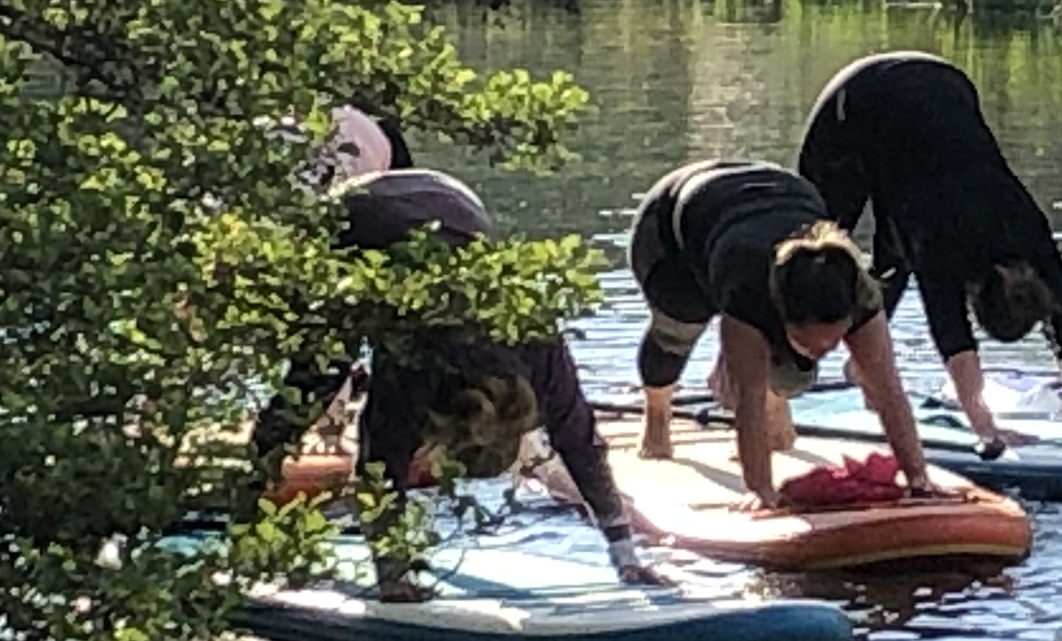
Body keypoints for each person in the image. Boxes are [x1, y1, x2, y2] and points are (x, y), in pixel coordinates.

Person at [250, 168, 660, 599]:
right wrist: (391, 577)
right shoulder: (419, 363)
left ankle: (257, 498)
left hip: (454, 206)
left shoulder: (537, 346)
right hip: (353, 225)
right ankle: (246, 520)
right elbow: (379, 466)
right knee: (312, 387)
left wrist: (625, 555)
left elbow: (582, 445)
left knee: (334, 391)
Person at [796, 52, 1062, 450]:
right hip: (858, 101)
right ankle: (773, 379)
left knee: (895, 251)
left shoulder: (1030, 232)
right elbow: (957, 345)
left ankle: (861, 365)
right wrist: (986, 431)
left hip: (944, 83)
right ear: (974, 295)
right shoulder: (945, 246)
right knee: (811, 256)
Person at [628, 159, 935, 505]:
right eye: (810, 340)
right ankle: (656, 414)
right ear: (782, 313)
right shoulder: (749, 293)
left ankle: (772, 396)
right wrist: (760, 490)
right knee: (676, 334)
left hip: (777, 195)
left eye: (834, 342)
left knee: (794, 377)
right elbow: (748, 400)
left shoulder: (859, 293)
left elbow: (888, 389)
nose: (826, 350)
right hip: (674, 228)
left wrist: (918, 476)